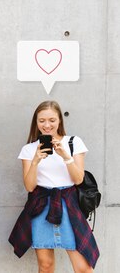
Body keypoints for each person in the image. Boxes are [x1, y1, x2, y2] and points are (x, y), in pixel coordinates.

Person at [9, 101, 99, 272]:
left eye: (52, 120)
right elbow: (29, 186)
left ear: (59, 121)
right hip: (41, 205)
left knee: (84, 268)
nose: (47, 125)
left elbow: (78, 179)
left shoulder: (74, 142)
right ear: (36, 122)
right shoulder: (29, 149)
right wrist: (35, 161)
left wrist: (66, 156)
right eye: (41, 120)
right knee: (45, 266)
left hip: (69, 204)